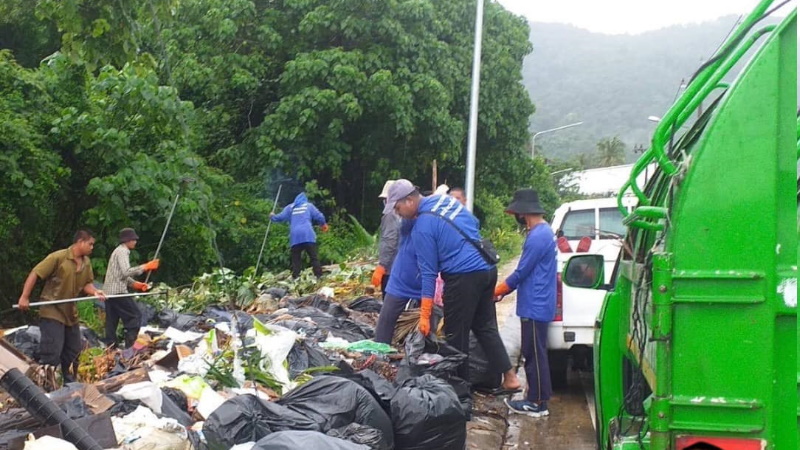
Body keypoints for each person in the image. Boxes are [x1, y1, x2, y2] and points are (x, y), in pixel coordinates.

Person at [386, 179, 521, 393]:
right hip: (486, 269)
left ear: (410, 201)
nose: (397, 212)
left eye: (397, 206)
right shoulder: (444, 201)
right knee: (486, 328)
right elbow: (473, 222)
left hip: (463, 278)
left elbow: (429, 274)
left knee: (456, 337)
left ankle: (461, 393)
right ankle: (510, 378)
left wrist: (424, 314)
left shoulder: (422, 226)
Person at [494, 188, 557, 418]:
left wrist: (500, 289)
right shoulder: (544, 231)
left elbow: (522, 271)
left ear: (524, 213)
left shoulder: (538, 236)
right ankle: (537, 396)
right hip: (539, 302)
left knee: (534, 354)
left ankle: (537, 403)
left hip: (535, 303)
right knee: (536, 352)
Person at [17, 230, 107, 383]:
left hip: (70, 312)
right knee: (52, 350)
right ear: (80, 242)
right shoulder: (58, 257)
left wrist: (95, 292)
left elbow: (87, 284)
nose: (92, 247)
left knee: (73, 349)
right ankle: (47, 384)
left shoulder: (86, 263)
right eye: (90, 244)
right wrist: (24, 297)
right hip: (52, 309)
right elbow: (35, 273)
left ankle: (68, 381)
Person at [374, 219, 430, 344]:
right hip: (402, 277)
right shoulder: (400, 218)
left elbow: (390, 240)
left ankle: (424, 351)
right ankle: (379, 353)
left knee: (429, 323)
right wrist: (382, 265)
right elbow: (391, 240)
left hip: (428, 278)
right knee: (386, 318)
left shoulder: (432, 222)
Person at [103, 228, 160, 348]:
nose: (135, 241)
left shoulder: (117, 251)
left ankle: (111, 349)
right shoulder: (123, 251)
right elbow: (126, 272)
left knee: (111, 322)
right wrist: (146, 266)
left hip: (109, 292)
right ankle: (130, 346)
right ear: (127, 240)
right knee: (135, 316)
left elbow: (119, 275)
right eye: (133, 239)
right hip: (117, 292)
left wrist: (136, 284)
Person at [271, 192, 328, 278]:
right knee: (313, 257)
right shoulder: (308, 206)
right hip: (307, 235)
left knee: (296, 260)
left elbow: (280, 217)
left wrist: (272, 216)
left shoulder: (290, 207)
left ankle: (296, 278)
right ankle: (319, 276)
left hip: (295, 237)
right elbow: (319, 217)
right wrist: (323, 224)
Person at [372, 180, 401, 297]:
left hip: (391, 268)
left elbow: (389, 241)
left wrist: (382, 266)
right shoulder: (404, 214)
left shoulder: (390, 215)